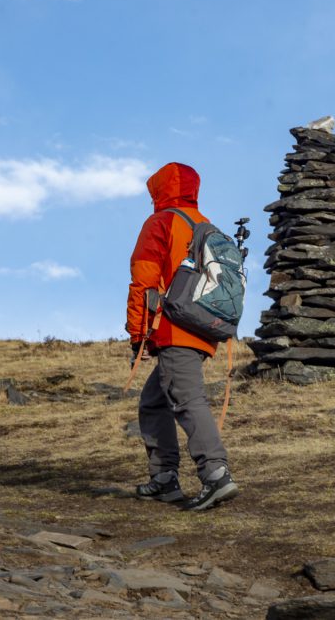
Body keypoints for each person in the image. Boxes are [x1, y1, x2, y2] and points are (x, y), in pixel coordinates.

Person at [126, 161, 239, 511]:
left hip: (173, 327)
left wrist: (138, 336)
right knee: (154, 401)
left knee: (187, 399)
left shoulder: (161, 221)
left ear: (159, 190)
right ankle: (164, 479)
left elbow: (144, 281)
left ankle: (215, 474)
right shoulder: (205, 225)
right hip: (203, 327)